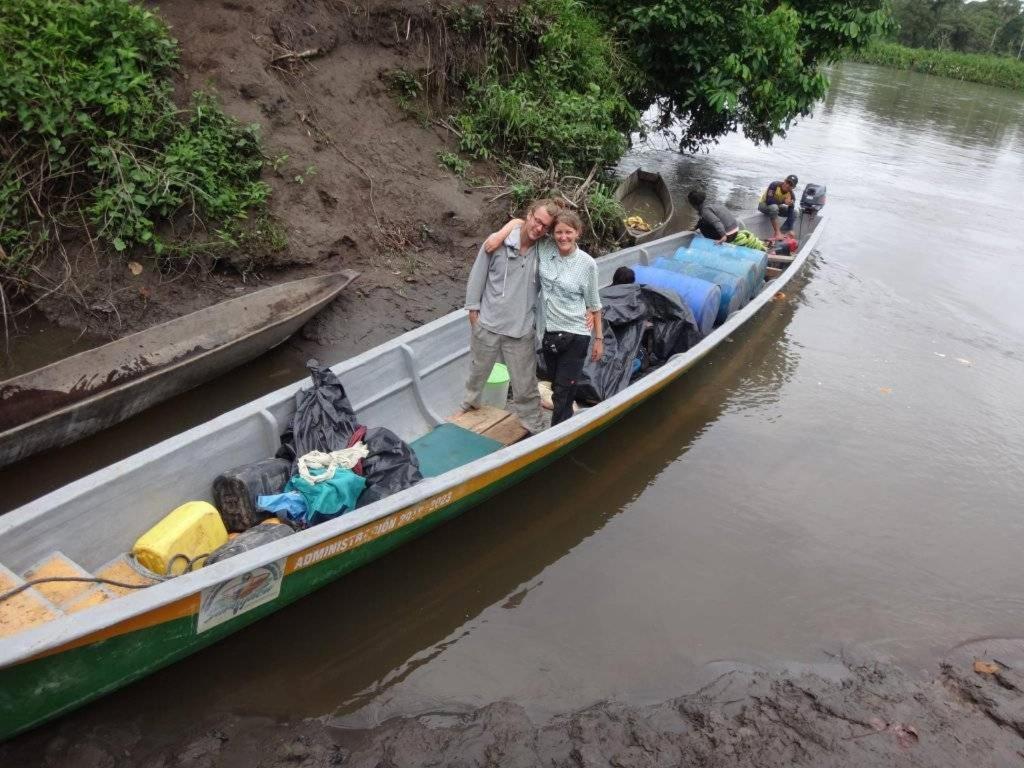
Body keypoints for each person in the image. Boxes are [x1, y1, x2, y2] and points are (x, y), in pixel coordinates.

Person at [483, 209, 603, 426]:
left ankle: (557, 433)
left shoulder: (587, 264)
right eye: (558, 232)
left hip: (576, 334)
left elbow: (594, 304)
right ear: (552, 234)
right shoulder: (545, 248)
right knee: (557, 387)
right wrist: (501, 234)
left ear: (578, 233)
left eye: (568, 232)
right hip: (549, 333)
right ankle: (560, 419)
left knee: (564, 391)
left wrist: (599, 339)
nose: (563, 237)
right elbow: (523, 223)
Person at [462, 199, 557, 434]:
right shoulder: (497, 242)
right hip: (488, 323)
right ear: (529, 214)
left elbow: (567, 236)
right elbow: (477, 276)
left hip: (521, 328)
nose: (538, 228)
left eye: (545, 226)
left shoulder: (544, 250)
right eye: (537, 221)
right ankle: (469, 406)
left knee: (525, 383)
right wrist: (473, 310)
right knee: (477, 372)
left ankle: (533, 423)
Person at [757, 174, 799, 241]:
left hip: (776, 207)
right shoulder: (774, 185)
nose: (788, 185)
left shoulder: (792, 196)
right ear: (784, 181)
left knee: (795, 213)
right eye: (787, 182)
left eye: (791, 185)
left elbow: (791, 212)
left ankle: (782, 233)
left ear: (793, 187)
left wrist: (791, 229)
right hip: (763, 205)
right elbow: (769, 200)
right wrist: (783, 201)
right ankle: (777, 233)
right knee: (774, 207)